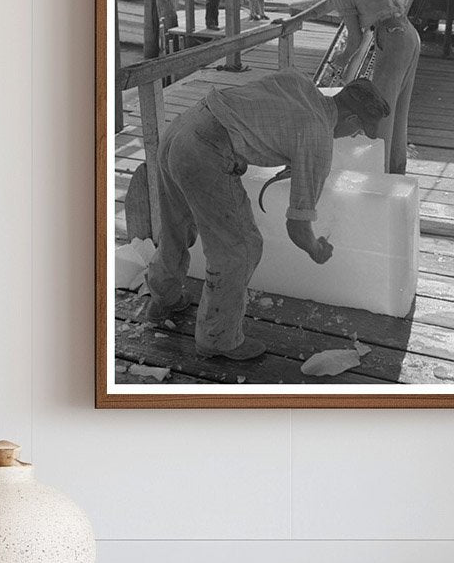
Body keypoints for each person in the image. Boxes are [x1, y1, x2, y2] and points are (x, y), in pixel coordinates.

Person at [145, 72, 390, 361]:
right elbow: (297, 226)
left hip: (182, 128)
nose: (352, 136)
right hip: (206, 150)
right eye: (357, 132)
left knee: (176, 225)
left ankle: (164, 297)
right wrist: (316, 249)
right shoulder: (318, 135)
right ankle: (218, 338)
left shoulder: (301, 86)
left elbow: (264, 112)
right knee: (241, 248)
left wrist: (293, 158)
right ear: (351, 120)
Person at [302, 0, 421, 175]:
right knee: (398, 109)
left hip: (392, 37)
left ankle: (379, 174)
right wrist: (297, 19)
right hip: (407, 33)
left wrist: (341, 60)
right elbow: (325, 6)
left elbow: (355, 39)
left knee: (378, 109)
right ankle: (396, 169)